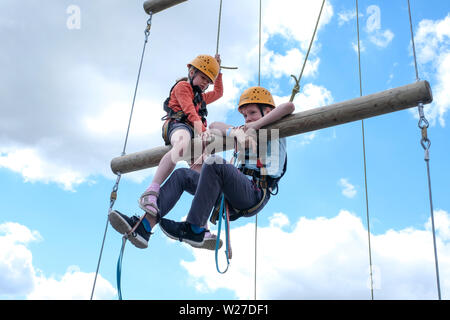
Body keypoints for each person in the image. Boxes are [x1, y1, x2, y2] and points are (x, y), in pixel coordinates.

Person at [107, 54, 224, 249]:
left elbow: (218, 93)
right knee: (181, 145)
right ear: (191, 72)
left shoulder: (201, 97)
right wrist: (203, 131)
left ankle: (200, 226)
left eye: (208, 81)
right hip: (179, 126)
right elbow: (189, 111)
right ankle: (152, 190)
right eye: (203, 77)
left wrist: (218, 72)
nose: (206, 83)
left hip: (195, 132)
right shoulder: (183, 87)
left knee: (203, 175)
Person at [158, 86, 295, 248]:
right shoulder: (244, 130)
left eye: (252, 113)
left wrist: (255, 125)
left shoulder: (276, 126)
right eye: (245, 115)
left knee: (214, 164)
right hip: (232, 192)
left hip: (254, 192)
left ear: (267, 110)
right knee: (182, 175)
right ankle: (146, 222)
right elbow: (215, 125)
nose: (248, 118)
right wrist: (236, 132)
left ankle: (195, 228)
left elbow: (289, 107)